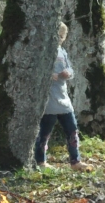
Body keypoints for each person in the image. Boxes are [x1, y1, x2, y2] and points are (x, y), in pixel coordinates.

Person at [35, 22, 91, 172]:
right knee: (44, 133)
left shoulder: (62, 52)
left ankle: (75, 160)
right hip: (48, 100)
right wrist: (48, 75)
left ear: (65, 37)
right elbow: (35, 71)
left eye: (62, 36)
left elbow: (70, 68)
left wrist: (68, 72)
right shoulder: (43, 52)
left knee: (72, 130)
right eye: (56, 36)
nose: (58, 39)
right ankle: (40, 160)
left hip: (63, 97)